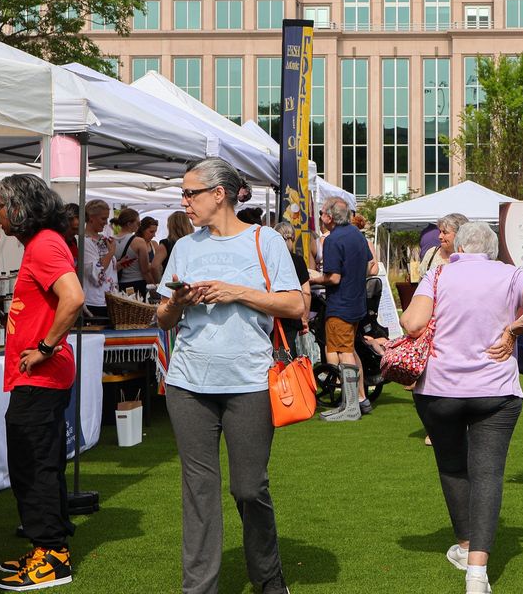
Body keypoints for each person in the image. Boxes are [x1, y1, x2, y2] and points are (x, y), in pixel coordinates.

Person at [156, 158, 303, 594]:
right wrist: (178, 301)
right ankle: (198, 588)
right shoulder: (184, 248)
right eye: (183, 194)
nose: (184, 202)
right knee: (198, 491)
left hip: (250, 383)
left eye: (190, 193)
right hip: (187, 383)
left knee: (248, 488)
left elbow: (296, 306)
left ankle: (268, 579)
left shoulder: (266, 240)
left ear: (218, 194)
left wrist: (235, 291)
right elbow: (164, 319)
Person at [400, 221, 523, 594]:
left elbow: (412, 323)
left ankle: (467, 544)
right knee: (488, 474)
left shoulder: (439, 275)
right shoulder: (509, 274)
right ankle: (476, 572)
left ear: (458, 246)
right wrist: (514, 330)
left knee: (453, 467)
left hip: (439, 389)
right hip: (496, 391)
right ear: (492, 249)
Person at [0, 173, 86, 590]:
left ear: (18, 208)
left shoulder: (45, 243)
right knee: (39, 462)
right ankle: (46, 546)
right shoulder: (43, 243)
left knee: (34, 465)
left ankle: (52, 556)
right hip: (40, 376)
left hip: (42, 376)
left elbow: (74, 297)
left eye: (0, 205)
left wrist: (45, 347)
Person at [309, 197, 372, 421]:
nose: (320, 217)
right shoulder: (357, 234)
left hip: (341, 305)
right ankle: (356, 400)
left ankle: (352, 406)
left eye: (322, 213)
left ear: (328, 216)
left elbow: (333, 277)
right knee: (350, 350)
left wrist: (314, 277)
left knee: (344, 352)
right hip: (356, 302)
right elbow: (368, 266)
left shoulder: (334, 240)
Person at [274, 221, 312, 354]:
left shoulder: (270, 260)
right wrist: (304, 318)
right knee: (288, 354)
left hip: (272, 313)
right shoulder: (298, 260)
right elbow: (306, 292)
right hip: (292, 315)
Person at [80, 199, 118, 322]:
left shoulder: (102, 239)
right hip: (94, 302)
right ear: (91, 218)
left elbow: (106, 270)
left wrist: (118, 265)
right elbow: (95, 273)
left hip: (107, 300)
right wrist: (111, 252)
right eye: (103, 219)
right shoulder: (85, 242)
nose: (106, 222)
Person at [112, 209, 152, 296]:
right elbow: (145, 270)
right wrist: (153, 285)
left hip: (118, 284)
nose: (139, 226)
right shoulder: (139, 241)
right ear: (129, 224)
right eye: (138, 223)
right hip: (137, 283)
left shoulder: (111, 240)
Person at [418, 213, 469, 277]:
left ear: (459, 234)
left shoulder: (471, 255)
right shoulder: (432, 253)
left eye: (445, 232)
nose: (440, 236)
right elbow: (422, 280)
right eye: (440, 232)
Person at [135, 216, 165, 285]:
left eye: (155, 232)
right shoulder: (135, 244)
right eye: (151, 232)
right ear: (142, 230)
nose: (154, 235)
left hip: (153, 283)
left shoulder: (154, 244)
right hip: (140, 282)